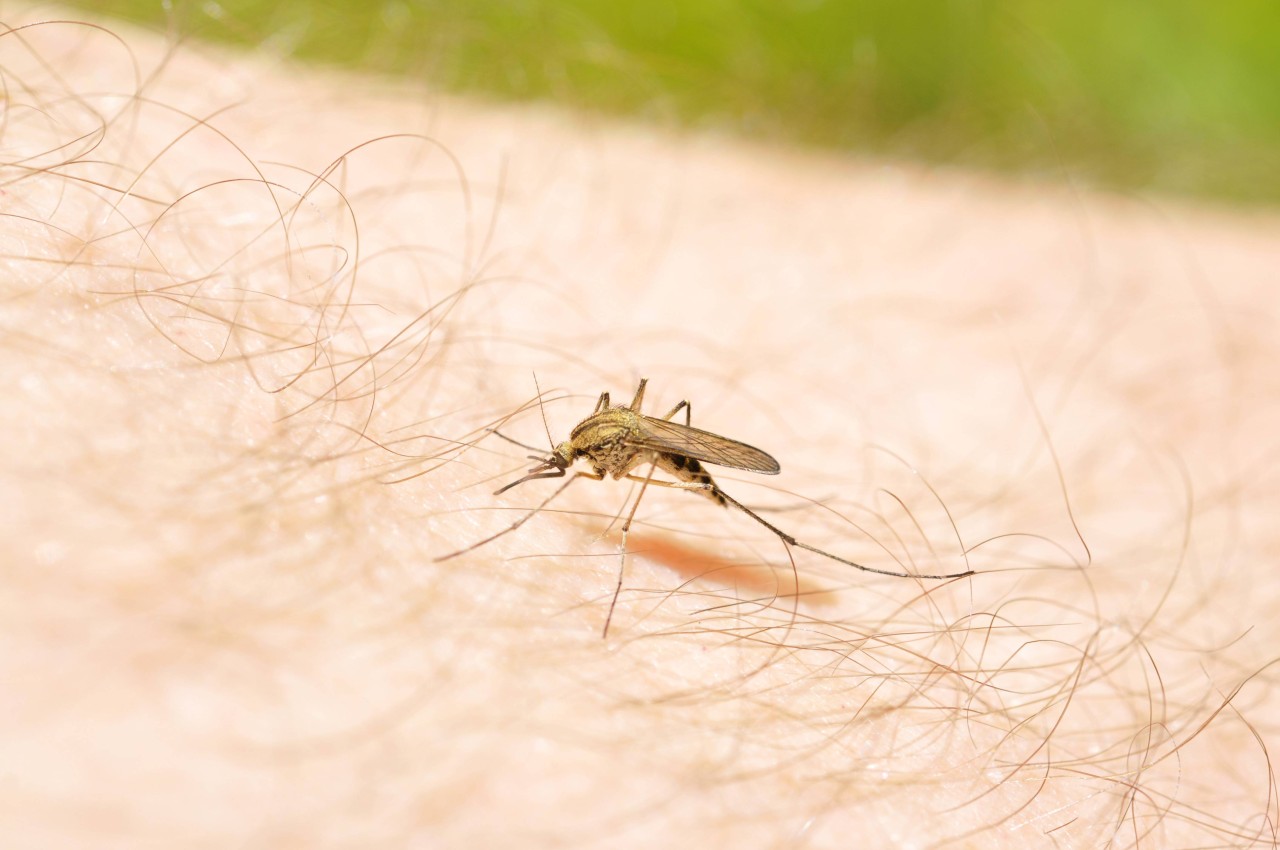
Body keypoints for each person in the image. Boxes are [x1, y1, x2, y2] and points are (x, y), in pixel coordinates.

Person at [4, 13, 1277, 848]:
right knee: (665, 458)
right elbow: (590, 443)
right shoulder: (586, 438)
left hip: (692, 459)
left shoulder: (622, 456)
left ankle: (851, 564)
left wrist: (642, 473)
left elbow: (627, 459)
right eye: (577, 455)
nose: (581, 466)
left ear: (594, 447)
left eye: (576, 457)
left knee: (718, 490)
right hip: (646, 433)